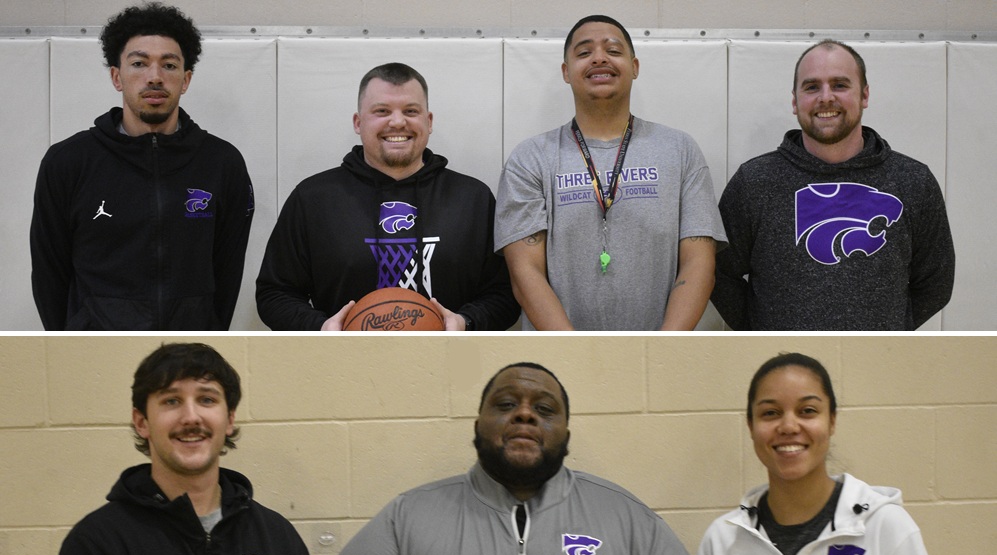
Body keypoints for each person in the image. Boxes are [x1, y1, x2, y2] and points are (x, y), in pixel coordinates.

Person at [302, 362, 733, 555]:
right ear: (477, 424)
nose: (525, 414)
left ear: (566, 433)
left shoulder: (630, 520)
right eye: (506, 404)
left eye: (544, 410)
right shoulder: (405, 520)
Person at [54, 342, 315, 555]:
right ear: (142, 422)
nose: (191, 417)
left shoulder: (277, 538)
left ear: (229, 418)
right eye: (171, 400)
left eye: (206, 399)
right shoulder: (97, 547)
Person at [697, 352, 943, 555]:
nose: (788, 426)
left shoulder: (886, 528)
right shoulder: (722, 540)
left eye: (807, 411)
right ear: (751, 425)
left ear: (832, 421)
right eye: (770, 413)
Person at [29, 2, 254, 331]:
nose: (154, 77)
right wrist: (73, 343)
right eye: (139, 63)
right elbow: (50, 274)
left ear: (186, 79)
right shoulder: (68, 162)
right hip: (96, 356)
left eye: (169, 65)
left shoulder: (222, 162)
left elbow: (227, 272)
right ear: (117, 76)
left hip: (185, 360)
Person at [494, 15, 726, 330]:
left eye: (613, 50)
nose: (600, 58)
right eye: (584, 52)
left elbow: (699, 264)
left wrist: (659, 351)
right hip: (561, 364)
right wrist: (575, 356)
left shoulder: (680, 150)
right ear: (566, 72)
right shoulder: (530, 158)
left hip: (658, 360)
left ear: (635, 66)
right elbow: (525, 274)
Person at [711, 40, 956, 330]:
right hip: (783, 367)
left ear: (864, 95)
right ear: (795, 100)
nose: (826, 98)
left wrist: (890, 328)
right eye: (812, 87)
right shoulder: (754, 182)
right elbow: (717, 272)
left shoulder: (913, 181)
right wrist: (763, 330)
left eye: (840, 85)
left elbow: (936, 280)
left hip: (879, 365)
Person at [256, 62, 519, 331]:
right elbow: (274, 293)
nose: (397, 122)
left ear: (428, 122)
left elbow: (506, 294)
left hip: (448, 363)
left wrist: (466, 322)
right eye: (382, 111)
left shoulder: (472, 199)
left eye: (411, 111)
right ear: (359, 123)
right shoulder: (313, 198)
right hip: (343, 365)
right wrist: (321, 328)